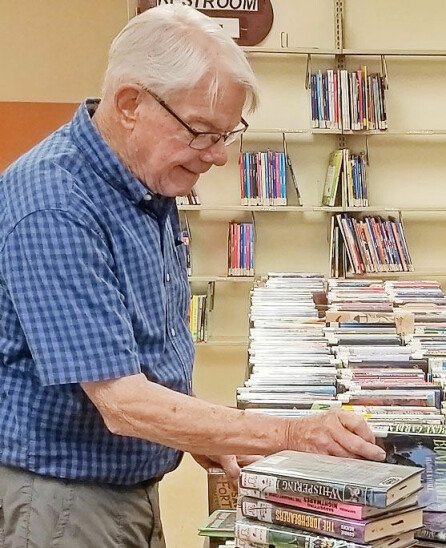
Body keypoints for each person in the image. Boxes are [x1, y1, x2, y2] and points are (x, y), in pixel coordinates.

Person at [0, 6, 384, 547]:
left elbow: (143, 349)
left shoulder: (145, 181)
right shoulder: (55, 203)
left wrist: (207, 433)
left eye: (228, 135)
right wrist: (290, 434)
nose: (221, 157)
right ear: (131, 103)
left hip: (123, 486)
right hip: (64, 501)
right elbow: (123, 402)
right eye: (203, 132)